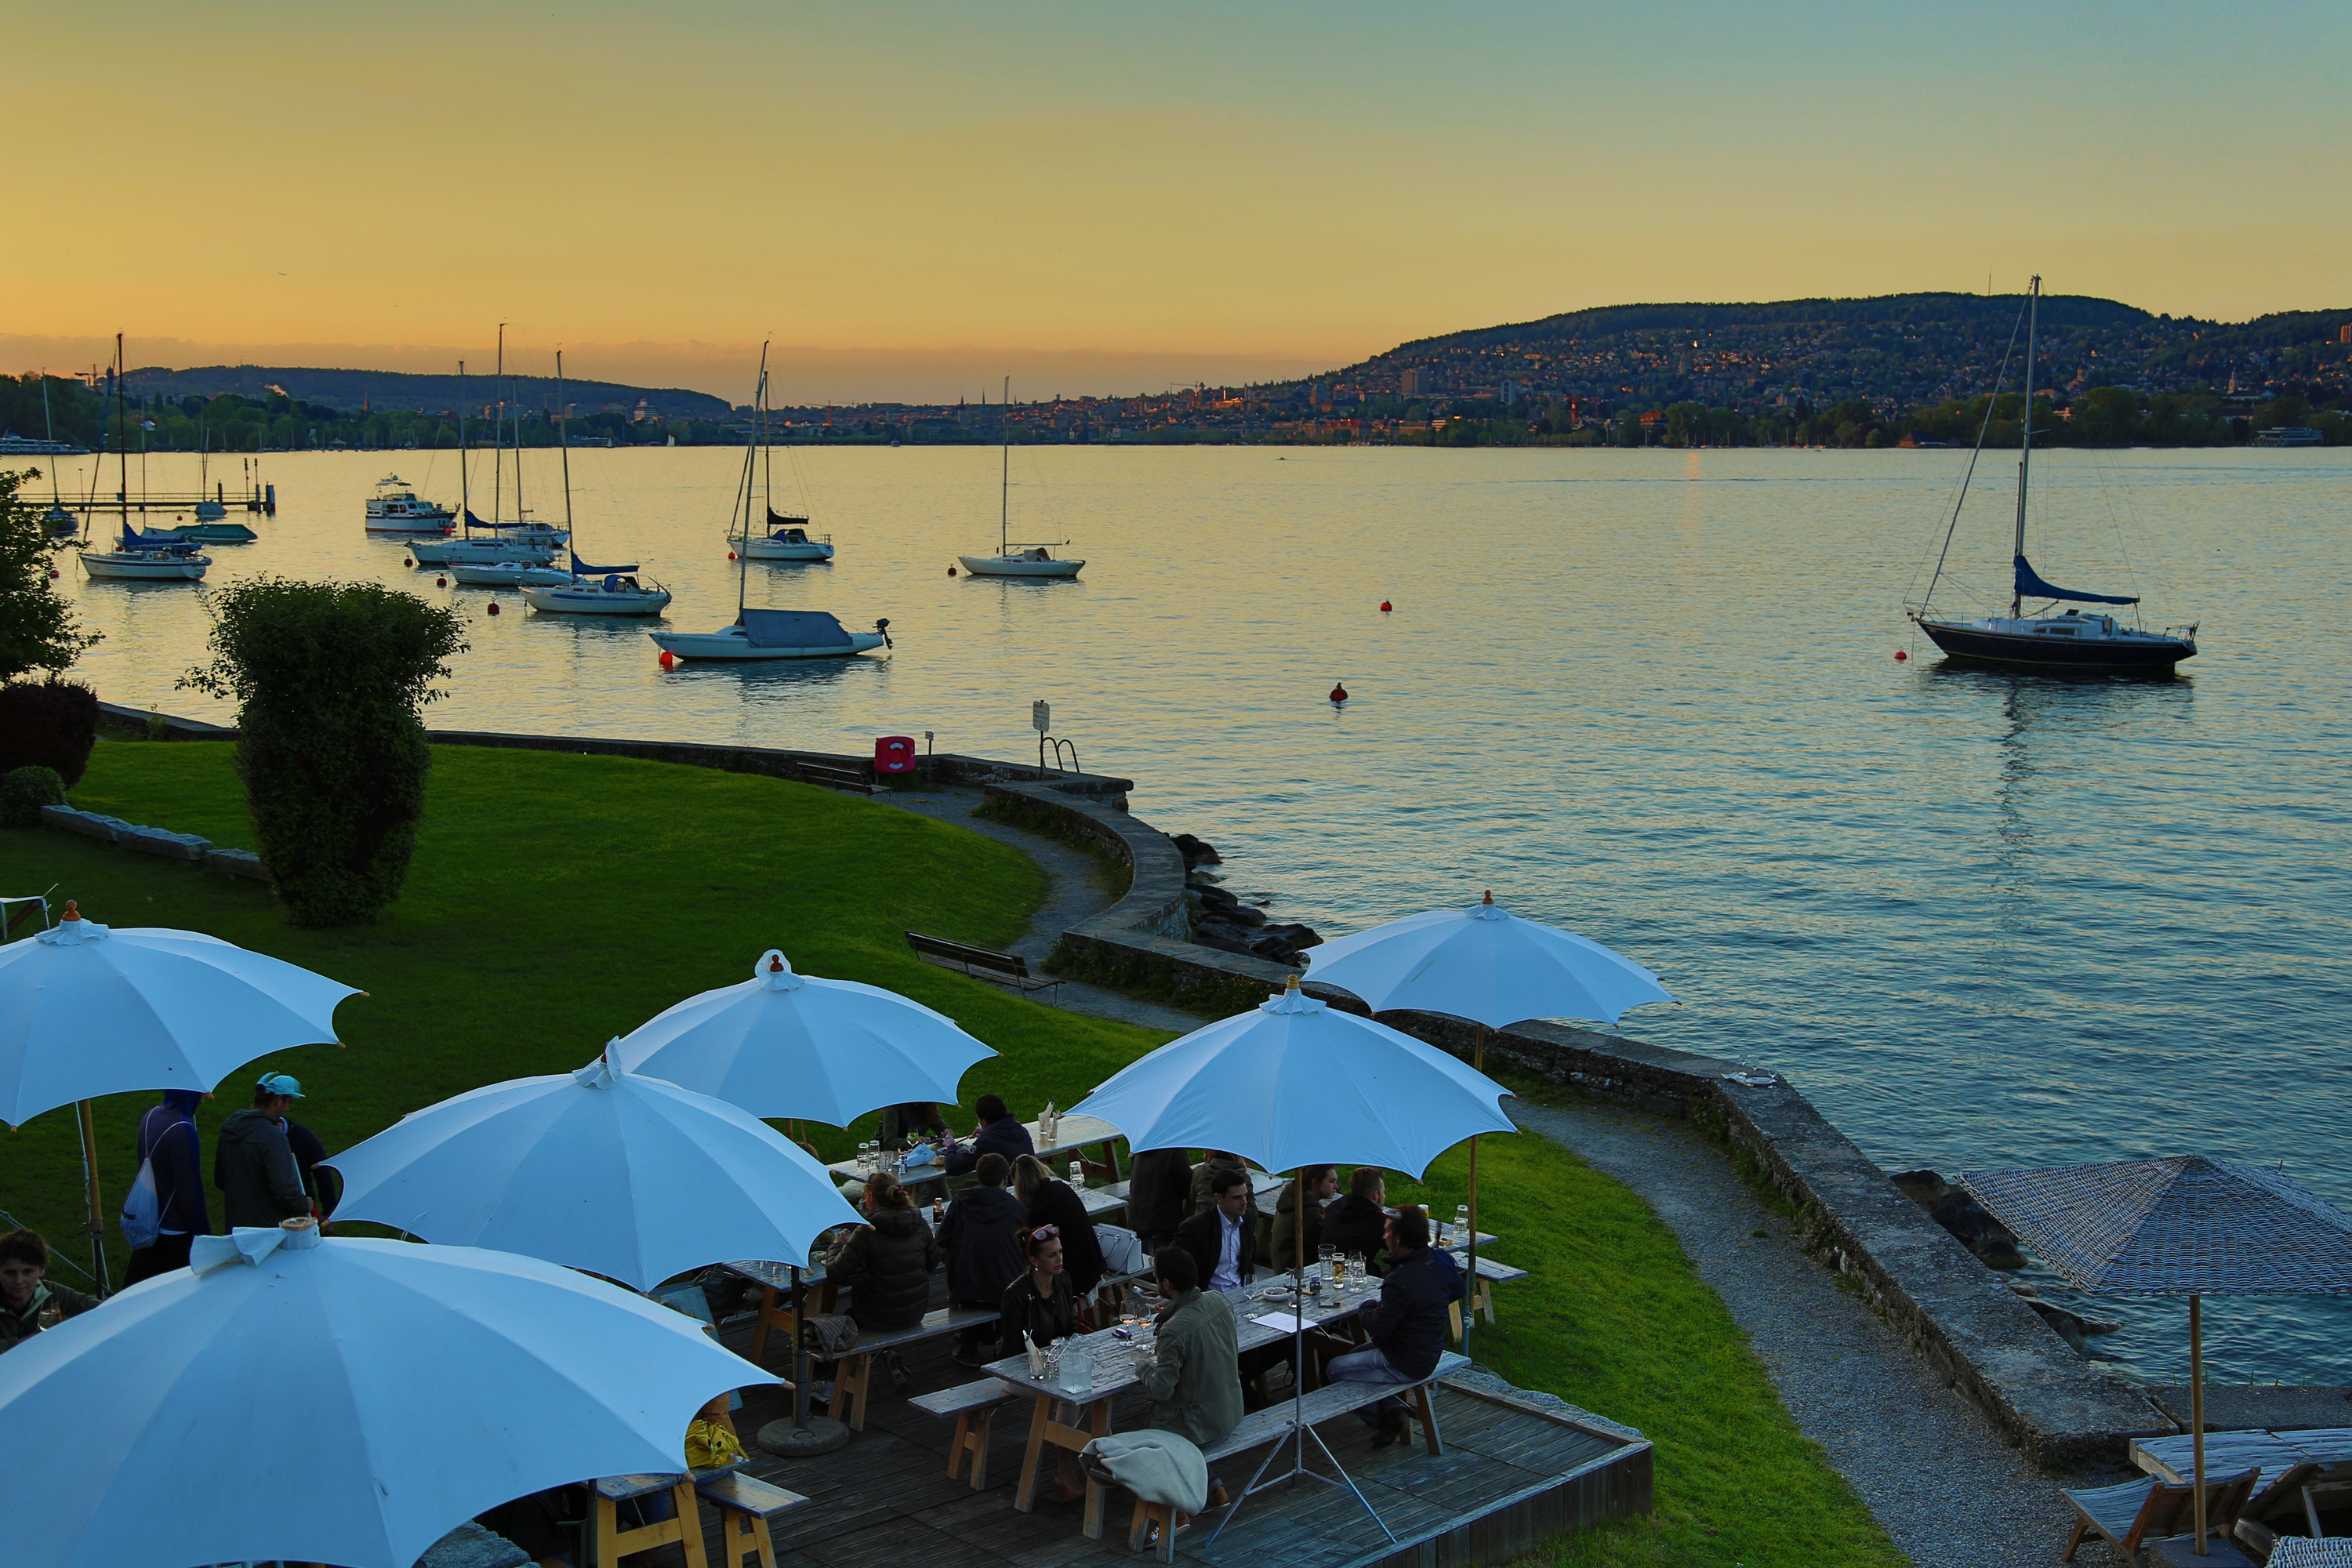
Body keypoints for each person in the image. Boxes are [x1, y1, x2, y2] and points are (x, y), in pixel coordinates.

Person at [1325, 1206, 1453, 1446]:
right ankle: (1394, 1411)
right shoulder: (1440, 1260)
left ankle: (1382, 1419)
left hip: (1407, 1361)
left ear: (1399, 1238)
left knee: (1335, 1369)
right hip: (1429, 1346)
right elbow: (1455, 1290)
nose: (1383, 1237)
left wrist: (1366, 1306)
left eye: (1387, 1232)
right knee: (1354, 1355)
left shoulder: (1401, 1280)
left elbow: (1378, 1328)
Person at [1138, 1243, 1239, 1518]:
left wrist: (1142, 1367)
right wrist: (1175, 1307)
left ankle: (1174, 1512)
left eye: (1156, 1278)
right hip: (1231, 1411)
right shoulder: (1220, 1301)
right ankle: (1215, 1488)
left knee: (1149, 1435)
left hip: (1203, 1426)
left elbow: (1161, 1390)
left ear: (1166, 1284)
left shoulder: (1173, 1331)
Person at [824, 1174, 941, 1388]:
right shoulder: (919, 1222)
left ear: (869, 1198)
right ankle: (887, 1352)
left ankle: (828, 1383)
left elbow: (835, 1274)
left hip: (878, 1316)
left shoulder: (867, 1231)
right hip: (915, 1313)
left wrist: (837, 1245)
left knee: (845, 1322)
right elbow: (933, 1263)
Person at [1000, 1225, 1087, 1503]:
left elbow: (1071, 1327)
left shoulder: (1063, 1281)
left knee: (1092, 1389)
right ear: (1035, 1262)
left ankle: (1103, 1458)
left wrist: (1070, 1354)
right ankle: (1064, 1469)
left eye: (1060, 1252)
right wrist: (1053, 1362)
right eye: (1052, 1255)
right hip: (1019, 1372)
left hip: (1056, 1364)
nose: (1060, 1259)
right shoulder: (1015, 1295)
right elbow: (1013, 1352)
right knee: (1069, 1394)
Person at [940, 1152, 1029, 1366]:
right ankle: (1005, 1341)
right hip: (1007, 1285)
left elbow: (942, 1240)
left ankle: (969, 1346)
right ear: (1006, 1180)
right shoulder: (1019, 1209)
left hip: (966, 1286)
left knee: (967, 1265)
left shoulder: (960, 1201)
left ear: (978, 1179)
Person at [124, 1088, 209, 1284]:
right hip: (175, 1231)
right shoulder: (183, 1130)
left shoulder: (150, 1116)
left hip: (149, 1221)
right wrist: (204, 1235)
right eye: (200, 1095)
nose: (203, 1099)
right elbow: (190, 1191)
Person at [214, 1073, 313, 1230]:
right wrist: (303, 1205)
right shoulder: (273, 1137)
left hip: (235, 1225)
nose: (287, 1109)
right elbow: (285, 1190)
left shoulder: (229, 1129)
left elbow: (220, 1180)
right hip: (267, 1229)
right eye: (289, 1102)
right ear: (278, 1100)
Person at [1013, 1153, 1105, 1296]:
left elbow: (1041, 1253)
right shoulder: (1060, 1189)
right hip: (1093, 1262)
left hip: (1075, 1277)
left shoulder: (1041, 1210)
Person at [0, 1230, 97, 1353]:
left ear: (41, 1270)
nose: (19, 1281)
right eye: (10, 1273)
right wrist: (16, 1344)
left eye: (28, 1272)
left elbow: (100, 1309)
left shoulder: (51, 1292)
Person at [1172, 1167, 1258, 1298]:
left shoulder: (1248, 1218)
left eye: (1245, 1195)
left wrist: (1249, 1286)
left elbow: (1248, 1259)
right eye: (1237, 1197)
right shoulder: (1195, 1228)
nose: (1244, 1202)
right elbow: (1172, 1265)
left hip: (1242, 1293)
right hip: (1209, 1299)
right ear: (1219, 1198)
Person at [1319, 1166, 1390, 1276]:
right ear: (1375, 1195)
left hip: (1325, 1270)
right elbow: (1404, 1248)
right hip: (1359, 1277)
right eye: (1383, 1192)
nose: (1384, 1195)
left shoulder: (1336, 1206)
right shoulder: (1377, 1220)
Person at [942, 1093, 1036, 1177]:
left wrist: (951, 1146)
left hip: (1006, 1189)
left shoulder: (987, 1142)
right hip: (1029, 1182)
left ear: (984, 1120)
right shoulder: (1021, 1130)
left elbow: (952, 1167)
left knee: (966, 1189)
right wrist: (987, 1132)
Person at [1269, 1164, 1338, 1274]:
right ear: (1315, 1183)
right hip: (1295, 1276)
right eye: (1331, 1181)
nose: (1336, 1187)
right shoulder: (1308, 1213)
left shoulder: (1293, 1198)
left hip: (1281, 1267)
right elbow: (1328, 1245)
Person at [1124, 1146, 1192, 1250]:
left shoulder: (1139, 1149)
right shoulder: (1174, 1152)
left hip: (1138, 1221)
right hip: (1164, 1226)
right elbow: (1189, 1189)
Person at [1187, 1149, 1246, 1216]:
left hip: (1202, 1220)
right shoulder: (1244, 1177)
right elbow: (1252, 1209)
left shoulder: (1202, 1172)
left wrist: (1208, 1164)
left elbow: (1192, 1197)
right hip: (1234, 1222)